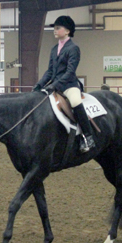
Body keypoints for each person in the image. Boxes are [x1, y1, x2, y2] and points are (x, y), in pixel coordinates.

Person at [32, 15, 95, 153]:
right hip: (54, 85)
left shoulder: (73, 48)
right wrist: (39, 85)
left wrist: (55, 85)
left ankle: (88, 136)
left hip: (68, 85)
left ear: (67, 31)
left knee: (75, 101)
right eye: (54, 28)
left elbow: (70, 72)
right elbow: (49, 71)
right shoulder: (54, 49)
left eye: (57, 28)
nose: (54, 30)